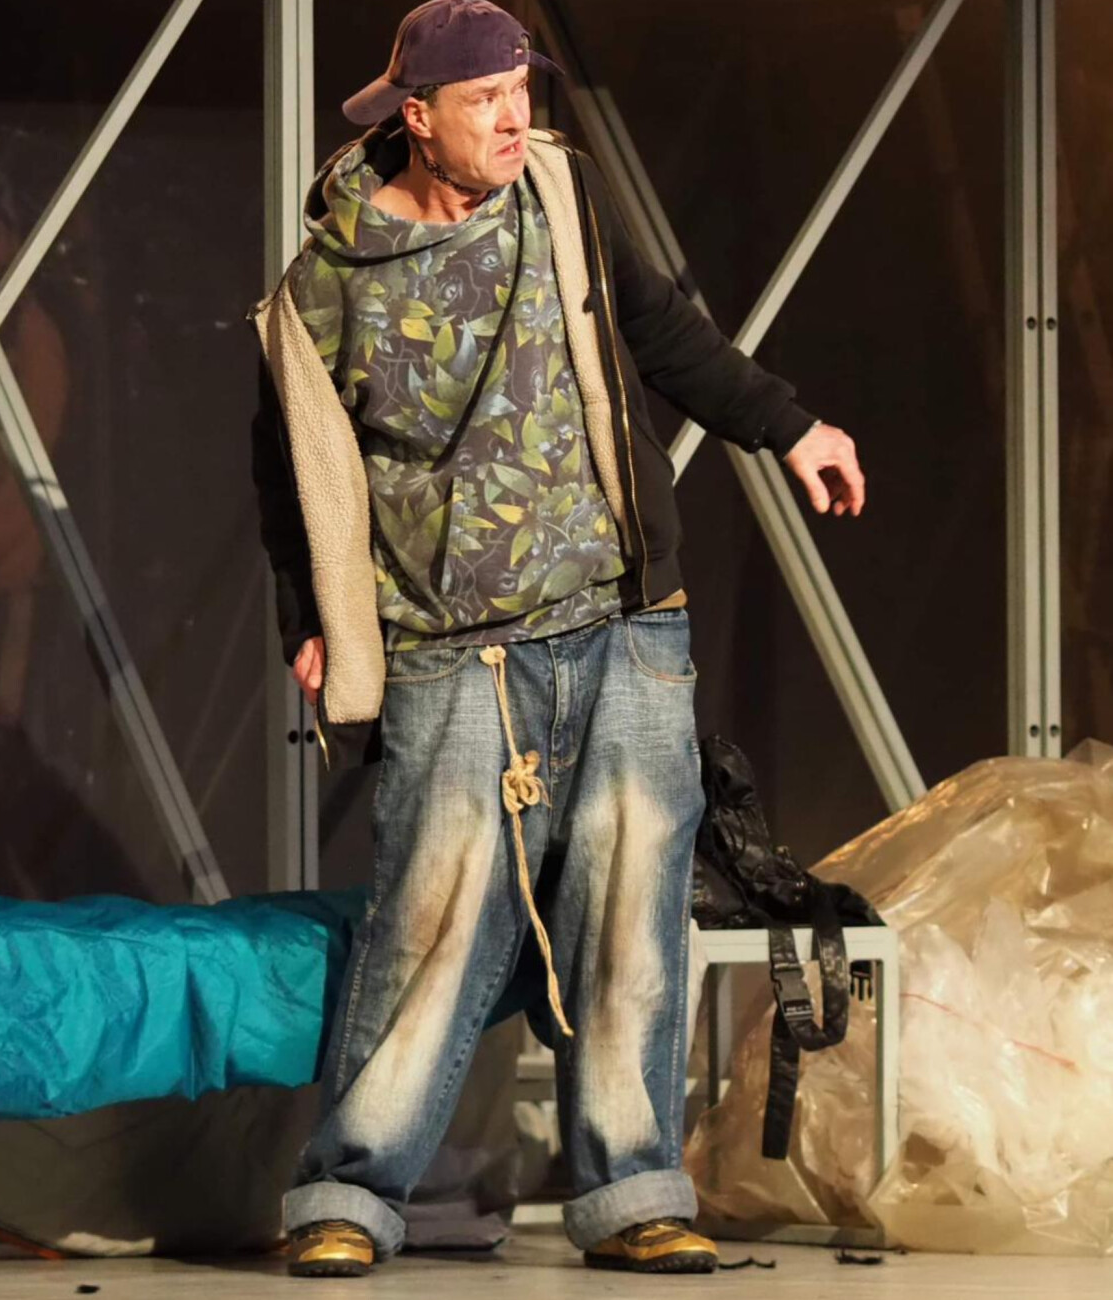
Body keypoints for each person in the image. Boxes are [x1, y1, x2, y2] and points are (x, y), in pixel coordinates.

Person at [249, 0, 865, 1278]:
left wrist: (789, 426)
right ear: (416, 117)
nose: (513, 117)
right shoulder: (328, 282)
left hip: (621, 622)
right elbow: (286, 463)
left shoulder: (562, 195)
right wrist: (306, 614)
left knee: (631, 912)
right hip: (450, 645)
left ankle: (633, 1191)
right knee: (429, 918)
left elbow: (665, 332)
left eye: (520, 91)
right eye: (483, 100)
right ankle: (347, 1192)